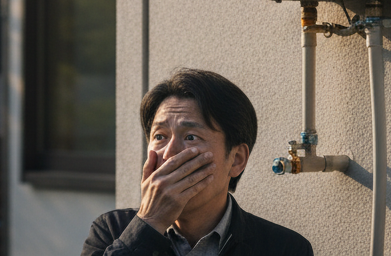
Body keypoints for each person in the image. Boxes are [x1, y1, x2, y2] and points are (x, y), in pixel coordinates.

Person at [81, 69, 312, 256]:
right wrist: (149, 224)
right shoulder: (111, 230)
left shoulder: (284, 248)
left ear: (236, 159)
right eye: (160, 136)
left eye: (191, 137)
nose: (169, 153)